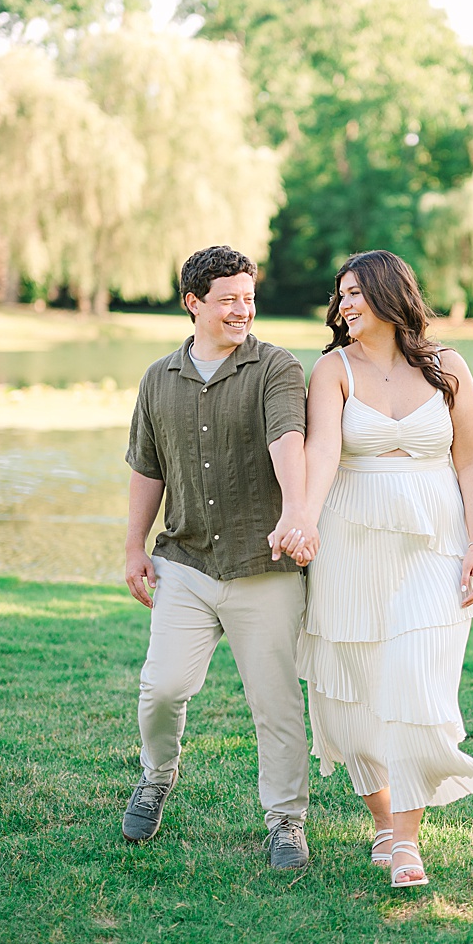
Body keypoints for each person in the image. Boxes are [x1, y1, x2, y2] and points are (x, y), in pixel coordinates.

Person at [277, 249, 473, 889]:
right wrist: (307, 521)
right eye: (339, 295)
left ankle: (406, 843)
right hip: (351, 541)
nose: (343, 305)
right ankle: (381, 818)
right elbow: (321, 452)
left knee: (415, 683)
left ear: (388, 295)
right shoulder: (332, 370)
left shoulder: (447, 367)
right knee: (352, 693)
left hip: (434, 543)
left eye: (354, 293)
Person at [121, 245, 312, 869]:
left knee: (275, 703)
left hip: (265, 567)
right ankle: (156, 775)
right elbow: (149, 470)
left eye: (248, 296)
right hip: (186, 564)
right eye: (228, 299)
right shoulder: (158, 379)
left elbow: (288, 439)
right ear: (193, 304)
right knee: (162, 687)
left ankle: (285, 822)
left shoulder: (276, 368)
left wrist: (295, 508)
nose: (242, 309)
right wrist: (132, 548)